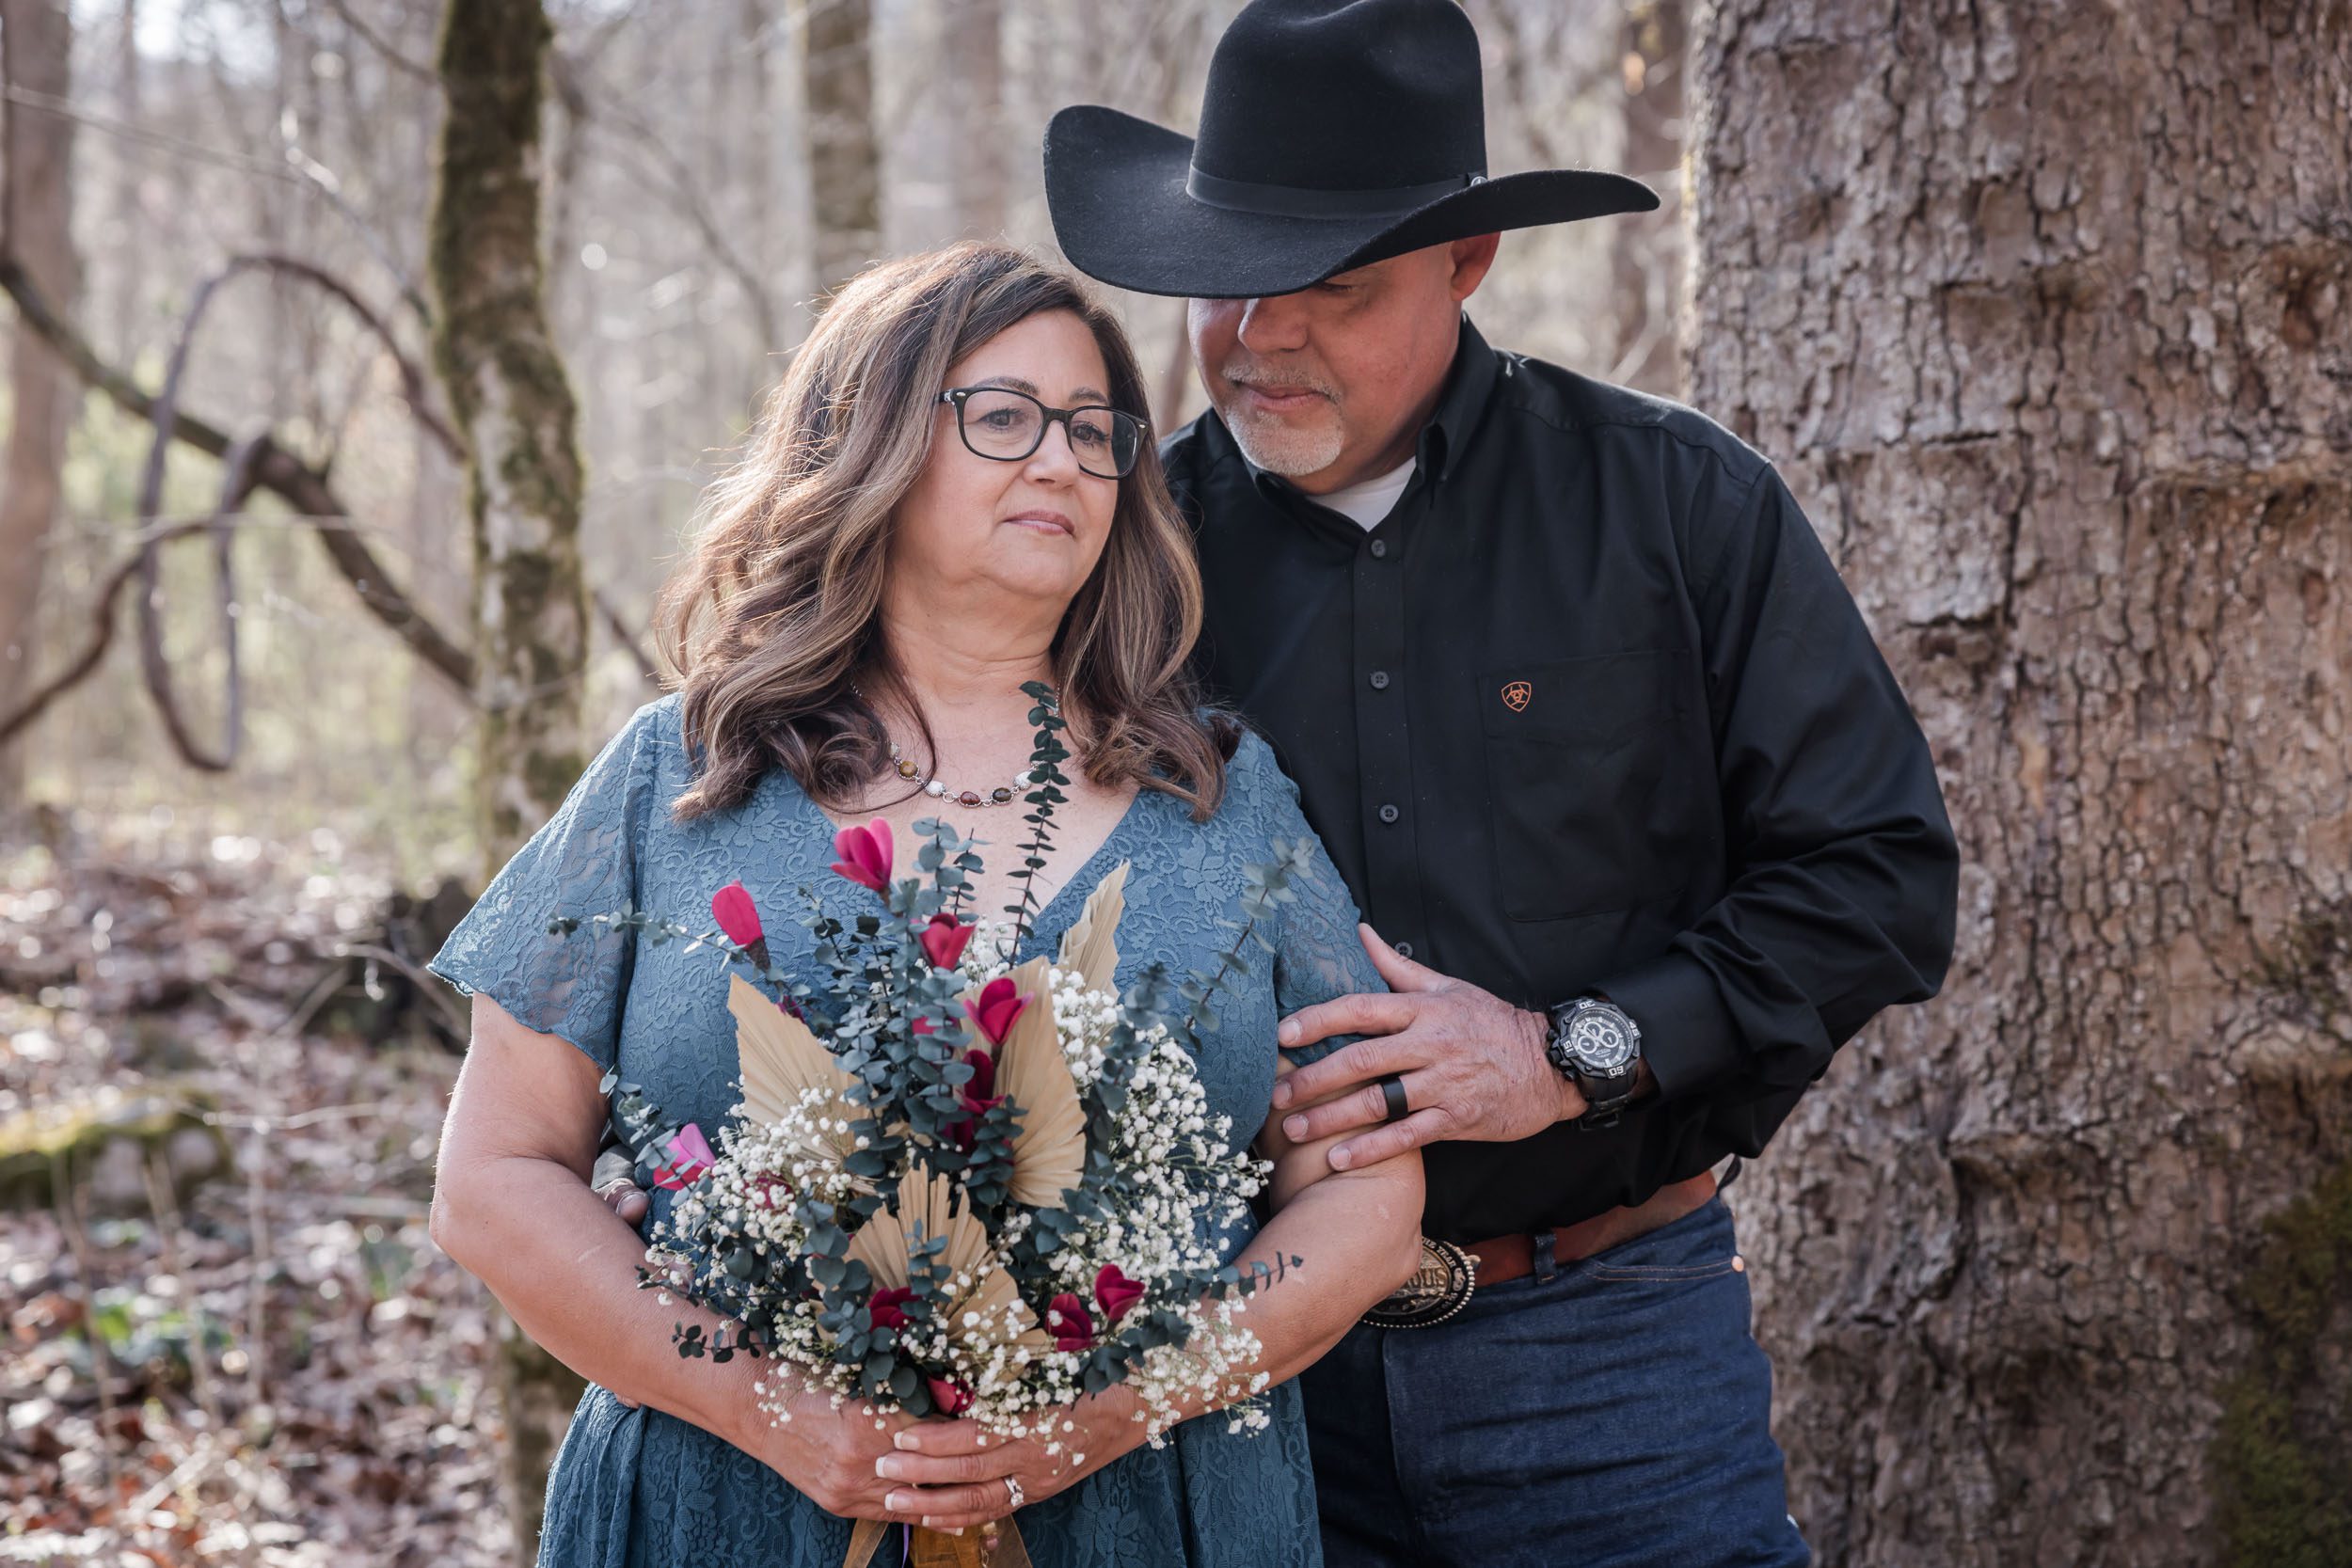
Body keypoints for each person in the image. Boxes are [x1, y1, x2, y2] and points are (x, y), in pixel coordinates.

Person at [1036, 1, 1964, 1564]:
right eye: (1226, 280)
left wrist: (1568, 1051)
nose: (1258, 335)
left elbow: (1877, 878)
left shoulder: (1678, 505)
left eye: (1329, 285)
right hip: (1239, 1369)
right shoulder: (1119, 560)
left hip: (1609, 1348)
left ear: (1467, 267)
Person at [426, 242, 1423, 1568]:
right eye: (1003, 416)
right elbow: (491, 1180)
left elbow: (1367, 1205)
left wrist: (1110, 1415)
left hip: (1148, 1518)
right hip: (725, 1507)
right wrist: (768, 1408)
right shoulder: (684, 774)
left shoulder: (1222, 802)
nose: (1063, 461)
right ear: (873, 444)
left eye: (1093, 430)